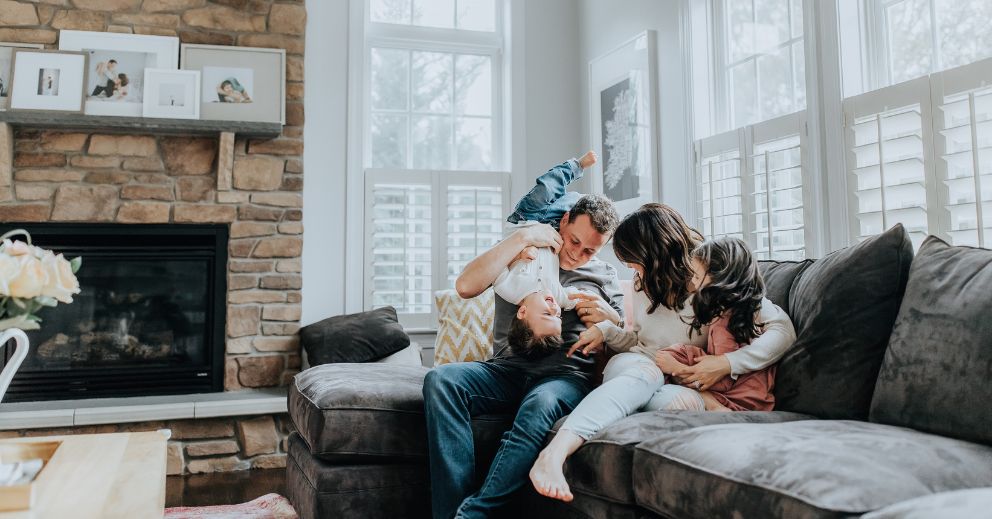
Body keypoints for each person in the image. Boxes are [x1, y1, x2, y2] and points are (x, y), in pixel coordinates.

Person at [529, 203, 796, 503]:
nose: (630, 270)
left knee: (668, 401)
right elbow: (640, 344)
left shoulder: (710, 276)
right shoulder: (643, 283)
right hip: (639, 365)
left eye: (633, 261)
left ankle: (598, 420)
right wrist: (607, 331)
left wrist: (725, 363)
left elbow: (783, 331)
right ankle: (554, 453)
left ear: (654, 253)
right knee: (646, 374)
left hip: (677, 382)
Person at [423, 151, 623, 519]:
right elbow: (466, 286)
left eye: (589, 250)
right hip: (505, 369)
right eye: (574, 240)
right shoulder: (526, 249)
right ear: (564, 221)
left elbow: (629, 335)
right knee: (441, 380)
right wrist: (524, 237)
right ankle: (452, 512)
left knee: (540, 405)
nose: (576, 254)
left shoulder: (605, 276)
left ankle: (474, 514)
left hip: (564, 377)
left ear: (603, 247)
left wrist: (610, 317)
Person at [657, 237, 775, 412]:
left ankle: (716, 409)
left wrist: (677, 368)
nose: (693, 283)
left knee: (670, 382)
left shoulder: (724, 323)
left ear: (720, 278)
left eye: (697, 276)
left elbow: (723, 382)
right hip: (756, 396)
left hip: (742, 401)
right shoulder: (744, 312)